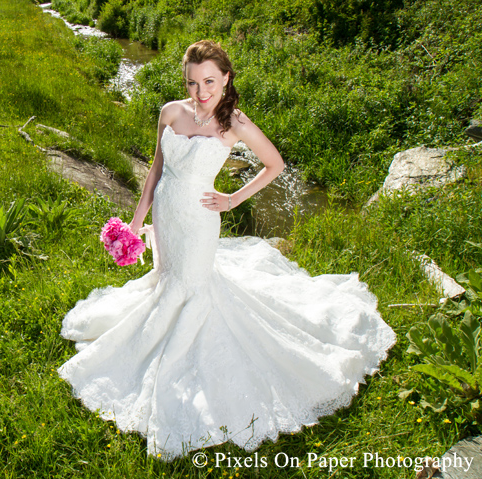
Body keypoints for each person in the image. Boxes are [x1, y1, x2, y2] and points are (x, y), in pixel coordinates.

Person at [57, 40, 396, 460]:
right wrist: (137, 222)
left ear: (226, 78)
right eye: (193, 82)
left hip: (200, 220)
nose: (201, 92)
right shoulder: (170, 111)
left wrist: (233, 198)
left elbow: (276, 165)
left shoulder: (234, 123)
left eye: (210, 82)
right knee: (168, 280)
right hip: (166, 214)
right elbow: (156, 171)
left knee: (196, 286)